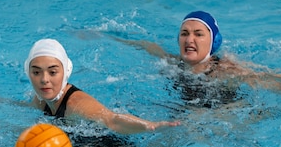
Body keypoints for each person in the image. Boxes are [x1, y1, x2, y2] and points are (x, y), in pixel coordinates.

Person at [113, 11, 281, 107]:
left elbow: (272, 80)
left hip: (225, 116)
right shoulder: (172, 63)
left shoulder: (224, 71)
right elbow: (148, 46)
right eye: (184, 33)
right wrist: (105, 35)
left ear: (213, 41)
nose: (189, 39)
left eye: (198, 34)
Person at [25, 38, 180, 134]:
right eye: (36, 73)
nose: (44, 80)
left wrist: (150, 125)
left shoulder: (75, 103)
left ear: (65, 72)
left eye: (52, 72)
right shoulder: (41, 99)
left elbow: (112, 119)